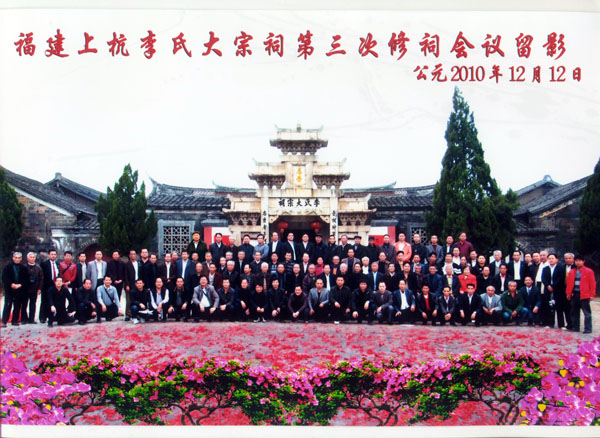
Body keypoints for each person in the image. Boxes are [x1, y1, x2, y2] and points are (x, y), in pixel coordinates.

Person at [566, 254, 596, 334]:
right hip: (575, 294)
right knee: (574, 312)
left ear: (583, 261)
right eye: (576, 261)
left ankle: (588, 328)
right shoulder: (572, 271)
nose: (578, 262)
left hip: (584, 294)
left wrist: (592, 294)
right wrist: (568, 293)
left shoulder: (589, 271)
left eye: (580, 261)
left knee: (586, 312)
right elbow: (569, 284)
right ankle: (575, 327)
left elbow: (592, 283)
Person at [1, 252, 28, 327]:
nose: (17, 259)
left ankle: (15, 321)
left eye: (19, 258)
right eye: (16, 258)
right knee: (7, 305)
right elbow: (4, 278)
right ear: (13, 258)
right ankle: (4, 321)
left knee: (17, 305)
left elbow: (26, 279)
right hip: (9, 290)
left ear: (21, 259)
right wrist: (11, 284)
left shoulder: (23, 268)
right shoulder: (7, 267)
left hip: (19, 290)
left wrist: (20, 284)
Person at [22, 252, 43, 324]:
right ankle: (24, 319)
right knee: (24, 304)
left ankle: (31, 319)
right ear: (27, 258)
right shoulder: (24, 267)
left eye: (33, 257)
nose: (32, 258)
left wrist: (39, 288)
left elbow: (41, 278)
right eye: (30, 257)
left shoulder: (38, 268)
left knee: (33, 304)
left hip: (34, 289)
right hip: (25, 289)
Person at [40, 249, 60, 323]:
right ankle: (43, 317)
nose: (53, 256)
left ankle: (53, 317)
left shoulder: (57, 264)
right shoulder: (44, 264)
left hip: (55, 285)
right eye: (52, 254)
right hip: (46, 285)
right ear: (49, 255)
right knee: (44, 301)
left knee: (54, 301)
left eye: (54, 254)